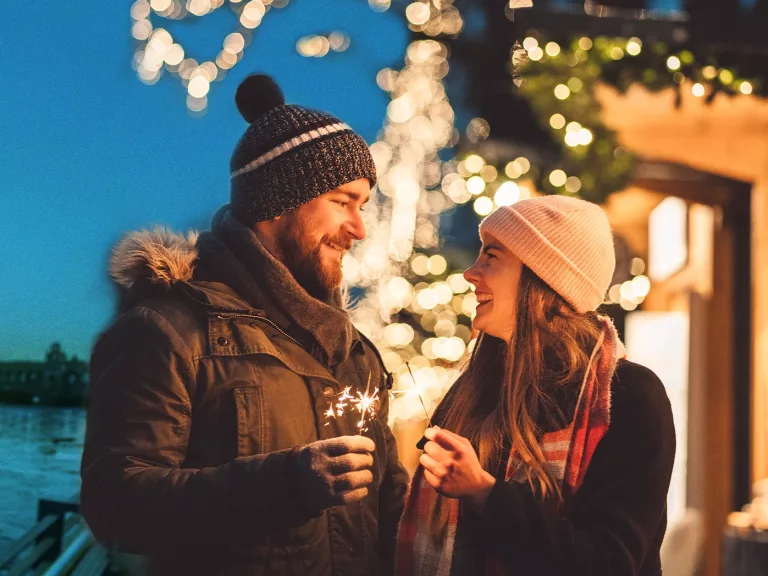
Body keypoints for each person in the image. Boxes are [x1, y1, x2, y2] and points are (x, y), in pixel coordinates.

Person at [80, 74, 409, 576]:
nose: (360, 228)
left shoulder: (356, 354)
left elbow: (389, 507)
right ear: (278, 201)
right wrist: (284, 485)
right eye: (343, 201)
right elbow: (115, 505)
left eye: (363, 206)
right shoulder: (167, 331)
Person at [396, 195, 676, 576]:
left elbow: (611, 561)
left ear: (543, 278)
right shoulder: (474, 392)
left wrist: (483, 493)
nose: (470, 273)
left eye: (492, 257)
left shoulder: (630, 396)